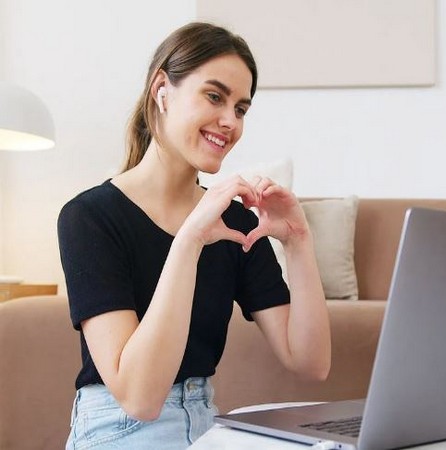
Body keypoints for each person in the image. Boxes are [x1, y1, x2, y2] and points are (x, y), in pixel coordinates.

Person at [58, 22, 331, 449]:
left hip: (206, 426)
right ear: (162, 89)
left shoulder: (236, 221)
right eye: (214, 96)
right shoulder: (89, 218)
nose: (229, 121)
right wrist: (189, 240)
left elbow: (311, 362)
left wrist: (298, 241)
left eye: (241, 109)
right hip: (116, 429)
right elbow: (140, 397)